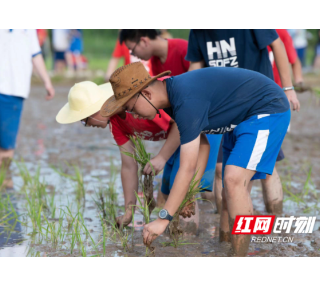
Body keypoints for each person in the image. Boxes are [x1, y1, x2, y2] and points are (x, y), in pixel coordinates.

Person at [101, 62, 291, 256]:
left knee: (233, 180)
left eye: (131, 108)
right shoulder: (172, 99)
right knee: (228, 194)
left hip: (267, 109)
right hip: (240, 118)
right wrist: (190, 193)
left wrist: (164, 218)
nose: (134, 115)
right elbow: (202, 145)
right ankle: (226, 248)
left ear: (147, 95)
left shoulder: (185, 99)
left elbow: (188, 166)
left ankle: (240, 254)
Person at [56, 80, 210, 229]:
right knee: (167, 194)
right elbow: (129, 166)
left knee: (187, 195)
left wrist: (162, 157)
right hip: (178, 142)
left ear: (95, 109)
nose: (87, 125)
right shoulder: (116, 123)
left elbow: (183, 121)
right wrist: (129, 212)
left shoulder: (140, 102)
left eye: (84, 120)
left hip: (201, 134)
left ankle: (200, 242)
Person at [186, 29, 300, 219]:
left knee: (265, 170)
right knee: (222, 169)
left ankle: (275, 224)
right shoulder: (198, 32)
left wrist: (288, 89)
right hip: (227, 109)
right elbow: (195, 67)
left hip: (261, 105)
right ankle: (228, 231)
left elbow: (277, 44)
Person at [119, 29, 222, 209]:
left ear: (143, 41)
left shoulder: (184, 49)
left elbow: (199, 89)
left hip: (202, 122)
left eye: (132, 49)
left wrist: (162, 156)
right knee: (171, 186)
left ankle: (212, 225)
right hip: (183, 127)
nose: (133, 54)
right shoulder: (156, 63)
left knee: (192, 188)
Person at [0, 29, 55, 189]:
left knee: (6, 145)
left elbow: (35, 54)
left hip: (14, 90)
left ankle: (4, 185)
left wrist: (47, 81)